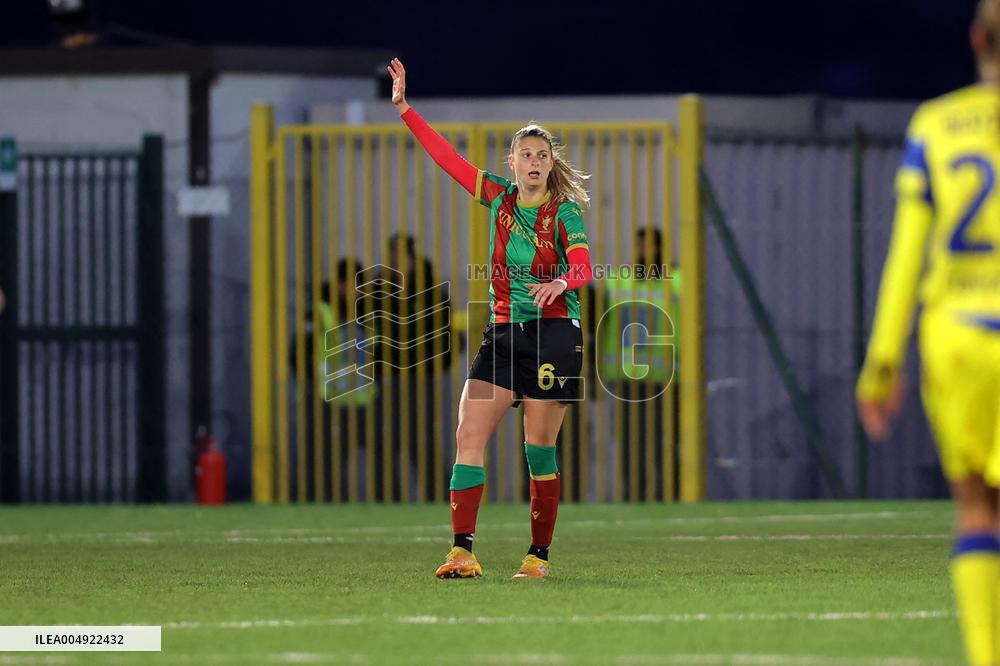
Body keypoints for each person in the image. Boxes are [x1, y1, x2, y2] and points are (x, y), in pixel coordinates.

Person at [388, 58, 593, 579]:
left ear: (550, 165)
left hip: (553, 337)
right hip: (502, 336)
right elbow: (448, 160)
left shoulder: (564, 212)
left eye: (541, 156)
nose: (532, 162)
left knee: (539, 448)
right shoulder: (499, 199)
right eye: (524, 154)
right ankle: (462, 550)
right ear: (511, 161)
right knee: (468, 434)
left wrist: (562, 282)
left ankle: (537, 558)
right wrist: (406, 109)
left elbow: (585, 266)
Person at [857, 3, 1000, 663]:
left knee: (977, 509)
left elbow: (907, 254)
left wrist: (882, 360)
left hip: (959, 336)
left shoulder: (936, 124)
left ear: (976, 39)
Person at [600, 227, 680, 501]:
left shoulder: (677, 281)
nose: (644, 252)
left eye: (649, 246)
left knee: (663, 444)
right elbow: (603, 327)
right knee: (629, 444)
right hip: (624, 378)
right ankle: (631, 496)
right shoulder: (617, 282)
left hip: (665, 378)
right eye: (639, 246)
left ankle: (668, 495)